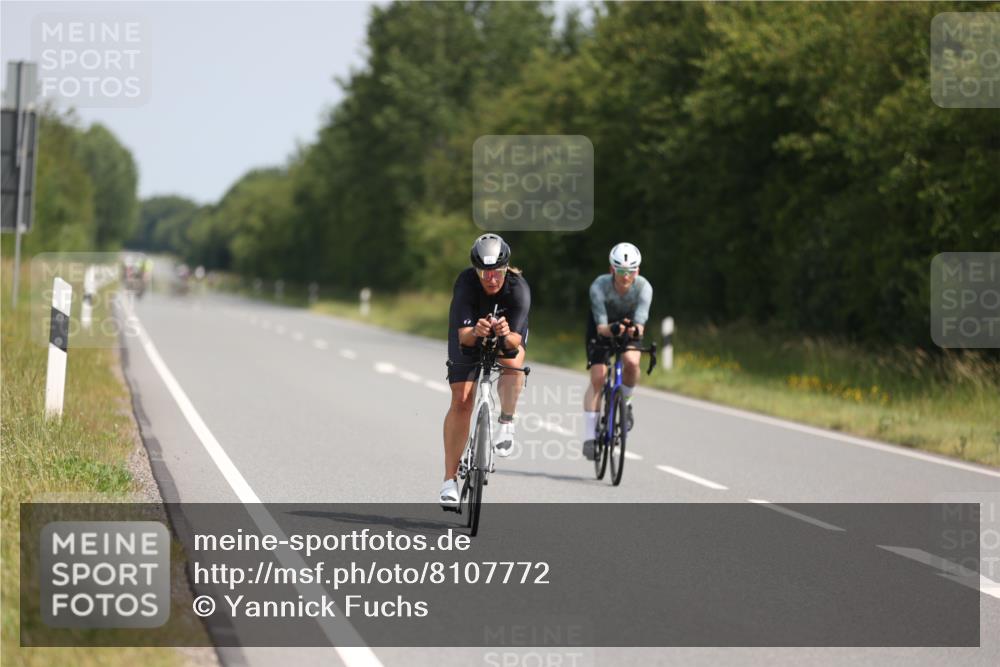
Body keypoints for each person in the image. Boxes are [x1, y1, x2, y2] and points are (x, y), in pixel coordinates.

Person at [440, 234, 531, 508]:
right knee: (462, 400)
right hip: (469, 336)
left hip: (507, 337)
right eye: (485, 272)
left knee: (514, 365)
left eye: (498, 272)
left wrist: (504, 333)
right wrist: (477, 331)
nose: (491, 278)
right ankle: (449, 481)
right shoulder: (466, 283)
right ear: (476, 270)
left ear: (507, 268)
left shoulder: (518, 289)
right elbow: (464, 337)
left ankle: (506, 420)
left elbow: (515, 341)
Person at [581, 242, 653, 460]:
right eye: (621, 271)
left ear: (637, 271)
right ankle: (589, 437)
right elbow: (602, 327)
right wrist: (613, 328)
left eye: (631, 271)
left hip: (629, 330)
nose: (626, 276)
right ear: (612, 269)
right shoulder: (599, 286)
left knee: (631, 362)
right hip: (601, 328)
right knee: (598, 377)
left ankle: (626, 401)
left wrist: (631, 329)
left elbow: (640, 326)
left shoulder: (644, 287)